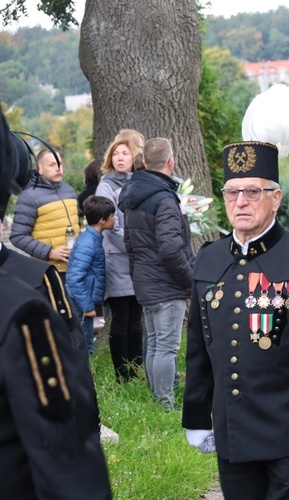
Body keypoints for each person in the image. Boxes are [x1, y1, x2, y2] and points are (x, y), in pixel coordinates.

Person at [182, 85, 289, 499]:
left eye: (253, 192)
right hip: (234, 432)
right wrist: (196, 414)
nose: (241, 201)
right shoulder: (208, 260)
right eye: (232, 192)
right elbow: (199, 349)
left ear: (275, 198)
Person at [0, 108, 112, 498]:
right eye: (52, 162)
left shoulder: (69, 194)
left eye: (61, 162)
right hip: (42, 271)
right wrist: (49, 251)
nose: (59, 168)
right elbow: (65, 458)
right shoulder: (20, 310)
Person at [122, 138, 194, 409]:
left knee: (154, 342)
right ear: (170, 162)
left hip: (145, 280)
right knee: (165, 346)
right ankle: (165, 403)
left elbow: (129, 244)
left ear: (142, 163)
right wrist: (189, 281)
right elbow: (170, 249)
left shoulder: (134, 195)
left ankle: (158, 397)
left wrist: (137, 274)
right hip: (165, 283)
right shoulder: (163, 199)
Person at [96, 136, 143, 381]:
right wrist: (134, 245)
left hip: (137, 260)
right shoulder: (106, 185)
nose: (120, 158)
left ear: (134, 157)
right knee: (121, 316)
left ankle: (137, 369)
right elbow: (110, 226)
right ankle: (121, 374)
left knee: (137, 316)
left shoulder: (139, 182)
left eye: (125, 153)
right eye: (116, 154)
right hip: (117, 258)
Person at [10, 148, 80, 280]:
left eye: (59, 164)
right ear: (40, 169)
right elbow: (17, 236)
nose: (58, 168)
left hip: (76, 267)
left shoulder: (69, 191)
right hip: (48, 271)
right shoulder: (28, 197)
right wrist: (49, 252)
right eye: (52, 165)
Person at [66, 196, 115, 355]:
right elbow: (74, 277)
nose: (114, 219)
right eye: (112, 216)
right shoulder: (88, 243)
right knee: (85, 347)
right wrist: (87, 306)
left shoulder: (92, 239)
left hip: (83, 301)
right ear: (102, 220)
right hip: (80, 304)